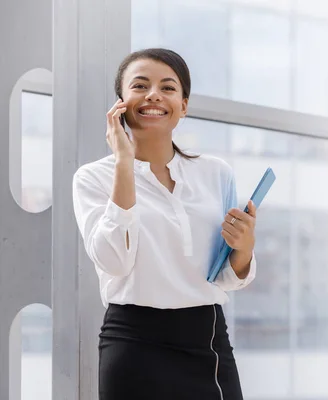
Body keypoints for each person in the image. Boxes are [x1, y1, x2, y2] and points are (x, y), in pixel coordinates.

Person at [72, 48, 257, 400]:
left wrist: (245, 247)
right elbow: (114, 261)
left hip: (208, 341)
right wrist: (124, 164)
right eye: (140, 85)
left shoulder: (215, 173)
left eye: (168, 87)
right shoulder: (92, 178)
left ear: (183, 106)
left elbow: (227, 277)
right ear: (121, 103)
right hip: (133, 343)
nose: (154, 94)